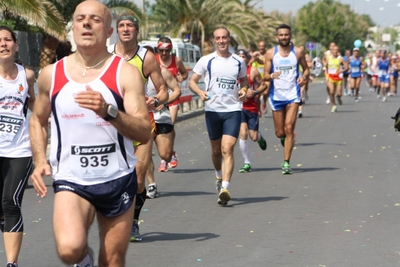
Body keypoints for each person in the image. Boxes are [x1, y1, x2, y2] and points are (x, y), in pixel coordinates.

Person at [29, 1, 151, 267]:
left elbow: (144, 129)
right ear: (72, 27)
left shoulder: (125, 73)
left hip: (117, 177)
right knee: (70, 249)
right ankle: (84, 261)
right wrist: (39, 160)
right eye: (80, 18)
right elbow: (37, 121)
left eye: (95, 19)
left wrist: (110, 112)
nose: (86, 23)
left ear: (109, 31)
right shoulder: (51, 75)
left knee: (113, 260)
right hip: (72, 178)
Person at [107, 12, 168, 242]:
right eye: (121, 25)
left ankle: (133, 222)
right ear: (116, 30)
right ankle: (115, 219)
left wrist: (157, 101)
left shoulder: (147, 57)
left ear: (136, 30)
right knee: (113, 177)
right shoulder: (107, 55)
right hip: (113, 124)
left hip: (141, 124)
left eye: (129, 25)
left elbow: (163, 89)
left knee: (139, 179)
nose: (125, 29)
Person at [189, 26, 248, 205]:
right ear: (214, 40)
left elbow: (244, 80)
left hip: (233, 110)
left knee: (227, 148)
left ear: (229, 39)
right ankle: (218, 176)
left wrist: (244, 89)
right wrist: (200, 92)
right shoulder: (207, 60)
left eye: (224, 38)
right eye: (218, 38)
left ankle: (225, 188)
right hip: (213, 111)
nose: (221, 41)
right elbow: (192, 81)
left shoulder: (238, 61)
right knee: (216, 151)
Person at [0, 25, 35, 267]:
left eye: (7, 39)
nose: (2, 44)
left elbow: (37, 106)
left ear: (16, 45)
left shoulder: (28, 75)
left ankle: (12, 264)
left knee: (10, 202)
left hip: (19, 150)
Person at [263, 24, 309, 174]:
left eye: (286, 34)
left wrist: (304, 77)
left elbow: (306, 69)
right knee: (279, 133)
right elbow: (264, 75)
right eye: (281, 35)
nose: (284, 37)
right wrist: (271, 76)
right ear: (277, 37)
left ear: (290, 36)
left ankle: (286, 163)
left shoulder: (298, 52)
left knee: (289, 128)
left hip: (293, 95)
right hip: (276, 96)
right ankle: (285, 139)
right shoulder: (270, 54)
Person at [145, 45, 181, 197]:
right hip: (142, 117)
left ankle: (170, 148)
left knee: (165, 155)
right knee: (144, 153)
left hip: (161, 115)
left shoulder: (163, 72)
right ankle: (152, 184)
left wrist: (163, 103)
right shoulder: (131, 73)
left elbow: (177, 90)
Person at [155, 36, 188, 171]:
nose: (164, 53)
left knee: (170, 124)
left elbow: (185, 74)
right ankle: (168, 153)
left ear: (171, 50)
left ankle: (166, 157)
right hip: (158, 98)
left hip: (173, 97)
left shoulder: (177, 61)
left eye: (167, 50)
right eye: (161, 50)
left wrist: (181, 77)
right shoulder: (153, 60)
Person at [235, 49, 268, 173]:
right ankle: (246, 162)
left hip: (252, 107)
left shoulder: (252, 71)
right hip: (238, 107)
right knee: (243, 133)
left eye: (244, 56)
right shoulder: (231, 72)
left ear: (247, 59)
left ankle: (260, 138)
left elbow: (263, 84)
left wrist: (254, 92)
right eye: (239, 56)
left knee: (253, 136)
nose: (241, 58)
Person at [325, 45, 348, 112]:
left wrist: (341, 71)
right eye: (334, 50)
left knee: (339, 94)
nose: (335, 51)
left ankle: (338, 97)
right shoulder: (328, 58)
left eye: (337, 50)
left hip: (338, 78)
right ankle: (333, 105)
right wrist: (326, 71)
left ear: (338, 51)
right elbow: (326, 66)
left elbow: (346, 67)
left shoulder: (340, 58)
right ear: (331, 51)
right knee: (331, 92)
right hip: (331, 77)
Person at [249, 41, 268, 115]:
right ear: (258, 46)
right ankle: (259, 110)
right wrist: (254, 58)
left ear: (265, 46)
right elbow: (249, 64)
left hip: (266, 77)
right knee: (257, 95)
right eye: (260, 46)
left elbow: (264, 62)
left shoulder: (268, 54)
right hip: (257, 78)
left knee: (265, 92)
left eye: (263, 46)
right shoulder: (255, 54)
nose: (261, 48)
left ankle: (265, 103)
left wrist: (258, 59)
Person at [297, 52, 313, 118]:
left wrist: (308, 76)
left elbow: (309, 66)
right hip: (292, 80)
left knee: (301, 92)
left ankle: (300, 111)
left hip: (301, 79)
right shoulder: (292, 58)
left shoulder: (305, 57)